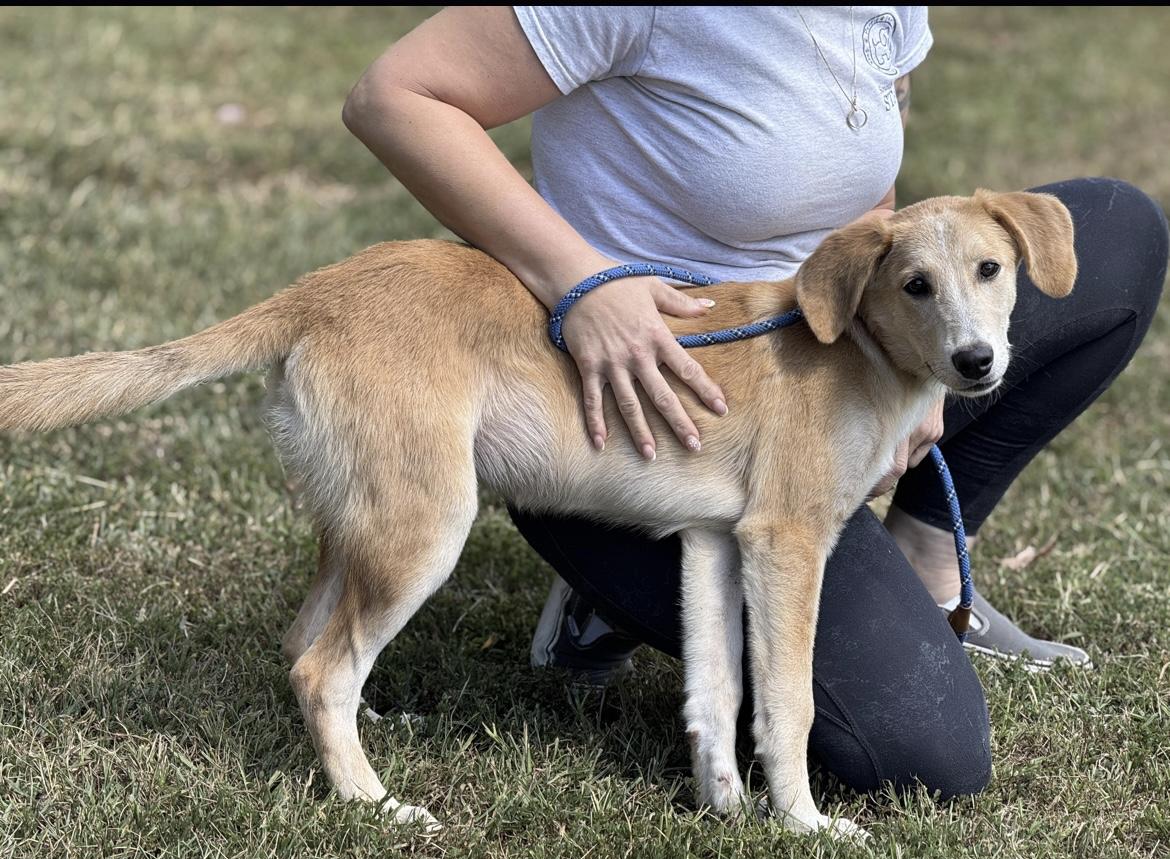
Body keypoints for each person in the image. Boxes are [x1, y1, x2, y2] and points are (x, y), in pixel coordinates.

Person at [341, 7, 1168, 799]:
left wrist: (915, 351)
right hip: (627, 400)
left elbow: (865, 188)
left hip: (832, 331)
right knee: (927, 756)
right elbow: (396, 97)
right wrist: (582, 281)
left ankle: (928, 558)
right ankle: (603, 584)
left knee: (1119, 230)